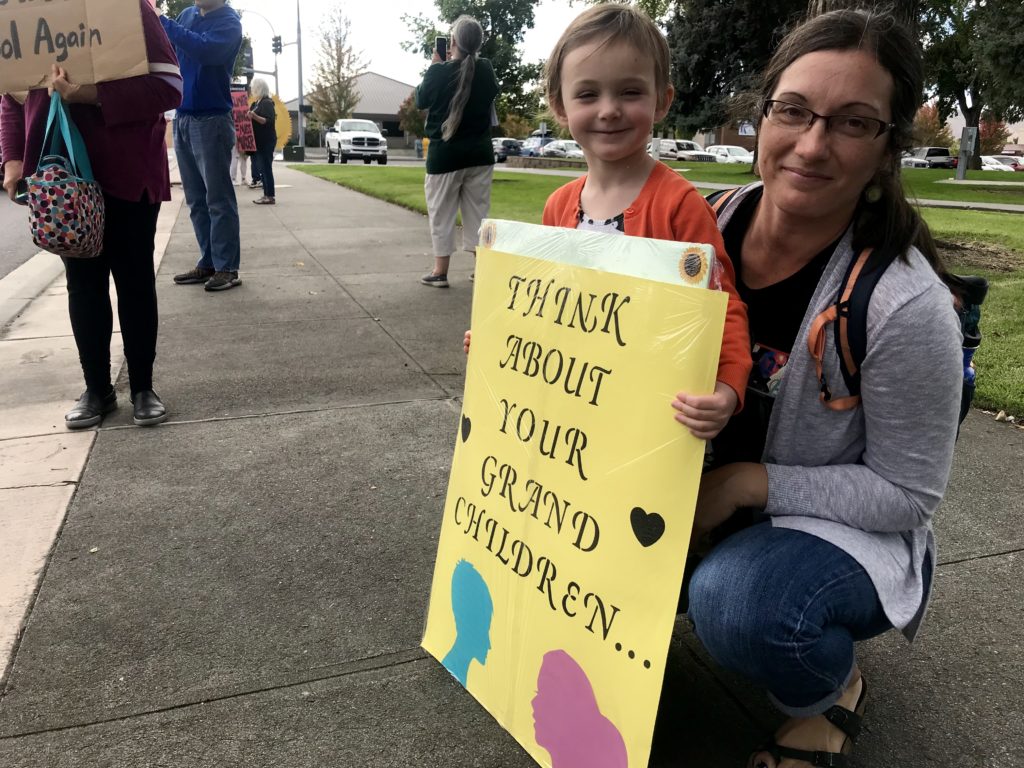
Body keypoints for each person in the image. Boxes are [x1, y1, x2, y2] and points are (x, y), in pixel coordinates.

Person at [680, 9, 963, 767]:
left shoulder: (906, 305)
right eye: (795, 110)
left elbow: (907, 495)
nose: (811, 144)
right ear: (765, 111)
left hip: (836, 530)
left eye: (852, 123)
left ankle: (828, 692)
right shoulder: (698, 230)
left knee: (739, 607)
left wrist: (746, 483)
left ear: (887, 150)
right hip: (694, 493)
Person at [540, 3, 752, 438]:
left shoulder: (681, 206)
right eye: (587, 94)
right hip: (575, 410)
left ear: (662, 101)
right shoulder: (558, 207)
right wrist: (503, 334)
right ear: (559, 106)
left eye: (630, 92)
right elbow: (546, 301)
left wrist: (727, 388)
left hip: (652, 416)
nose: (609, 109)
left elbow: (722, 305)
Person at [1, 0, 182, 428]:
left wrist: (90, 94)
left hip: (127, 169)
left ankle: (142, 387)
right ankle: (97, 389)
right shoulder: (26, 15)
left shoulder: (127, 9)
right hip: (60, 176)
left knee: (134, 278)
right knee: (83, 284)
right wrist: (11, 158)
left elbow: (170, 86)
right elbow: (11, 95)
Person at [158, 0, 244, 292]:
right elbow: (174, 48)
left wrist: (163, 22)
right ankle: (208, 261)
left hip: (212, 119)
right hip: (183, 116)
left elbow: (205, 50)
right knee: (196, 199)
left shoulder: (230, 24)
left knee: (218, 198)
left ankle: (227, 268)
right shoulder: (187, 15)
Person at [415, 15, 498, 288]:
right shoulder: (486, 70)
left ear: (452, 42)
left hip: (445, 157)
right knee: (479, 214)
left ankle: (440, 271)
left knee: (442, 214)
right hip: (480, 155)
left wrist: (434, 67)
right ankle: (483, 269)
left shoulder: (438, 73)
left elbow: (421, 100)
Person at [247, 79, 277, 205]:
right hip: (258, 141)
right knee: (261, 168)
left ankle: (269, 195)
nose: (251, 90)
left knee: (266, 168)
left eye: (253, 88)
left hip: (266, 141)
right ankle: (266, 194)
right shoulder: (256, 104)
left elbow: (268, 121)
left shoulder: (267, 103)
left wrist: (254, 116)